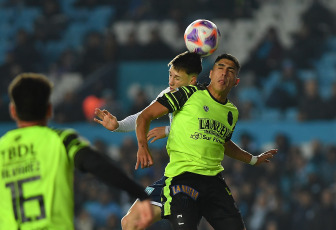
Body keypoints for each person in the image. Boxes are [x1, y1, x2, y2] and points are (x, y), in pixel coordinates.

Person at [135, 53, 278, 230]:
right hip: (183, 178)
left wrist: (253, 159)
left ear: (236, 82)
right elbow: (145, 116)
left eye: (230, 71)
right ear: (210, 74)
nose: (224, 73)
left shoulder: (231, 112)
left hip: (214, 183)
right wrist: (142, 146)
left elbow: (224, 143)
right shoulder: (187, 93)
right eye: (220, 68)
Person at [0, 73, 153, 230]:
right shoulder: (62, 140)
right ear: (49, 110)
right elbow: (98, 164)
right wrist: (141, 194)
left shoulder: (2, 148)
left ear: (13, 111)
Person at [94, 51, 202, 229]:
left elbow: (205, 131)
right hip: (173, 176)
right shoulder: (170, 92)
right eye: (170, 75)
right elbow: (143, 116)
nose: (170, 82)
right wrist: (118, 125)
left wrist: (168, 130)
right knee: (129, 223)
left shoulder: (202, 98)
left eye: (176, 78)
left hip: (196, 177)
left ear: (192, 80)